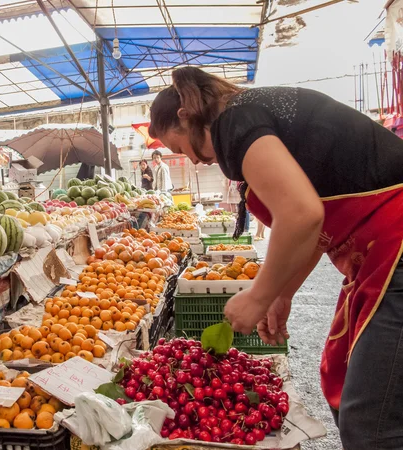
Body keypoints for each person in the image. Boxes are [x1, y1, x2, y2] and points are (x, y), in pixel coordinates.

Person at [148, 66, 403, 449]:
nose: (194, 161)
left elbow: (301, 214)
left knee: (372, 420)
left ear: (187, 116)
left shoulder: (234, 121)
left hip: (395, 244)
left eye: (179, 148)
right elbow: (317, 229)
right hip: (379, 254)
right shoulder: (248, 113)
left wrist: (258, 296)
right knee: (345, 379)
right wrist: (283, 292)